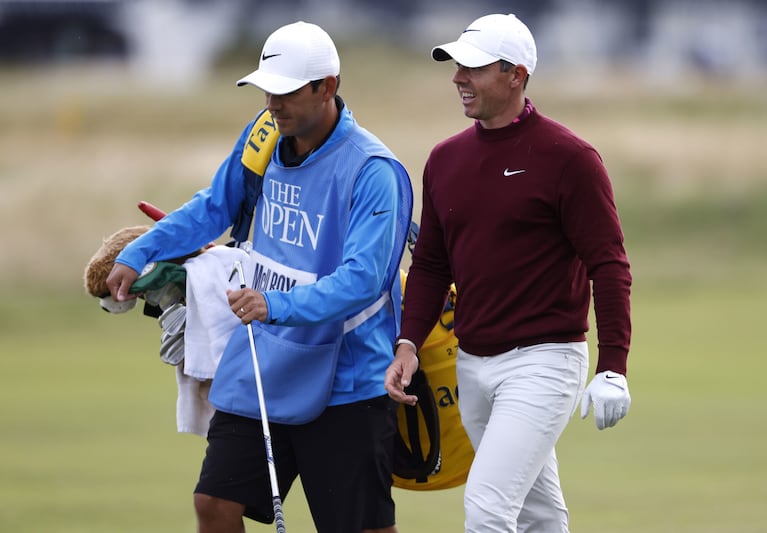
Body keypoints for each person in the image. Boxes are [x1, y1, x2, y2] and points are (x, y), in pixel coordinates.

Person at [107, 21, 412, 533]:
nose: (274, 102)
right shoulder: (265, 133)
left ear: (327, 87)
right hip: (265, 360)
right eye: (268, 89)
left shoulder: (374, 170)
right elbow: (215, 206)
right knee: (214, 504)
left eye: (288, 91)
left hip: (348, 379)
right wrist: (142, 251)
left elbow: (364, 280)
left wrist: (275, 306)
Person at [384, 13, 632, 533]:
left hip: (544, 363)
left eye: (472, 68)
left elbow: (608, 264)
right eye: (456, 67)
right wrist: (407, 343)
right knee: (540, 516)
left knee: (488, 507)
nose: (457, 78)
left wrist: (613, 366)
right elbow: (430, 264)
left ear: (515, 74)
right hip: (471, 365)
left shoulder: (570, 158)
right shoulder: (445, 159)